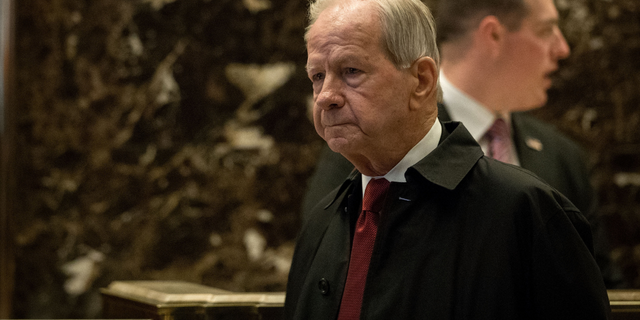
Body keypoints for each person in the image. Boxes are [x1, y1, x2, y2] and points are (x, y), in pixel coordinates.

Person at [285, 0, 610, 318]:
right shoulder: (321, 222)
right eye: (317, 76)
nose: (326, 96)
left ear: (422, 80)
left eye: (351, 71)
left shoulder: (526, 210)